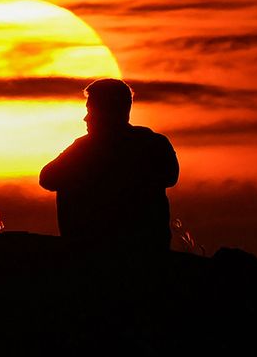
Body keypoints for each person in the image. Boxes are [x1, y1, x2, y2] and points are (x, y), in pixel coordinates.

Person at [39, 78, 179, 252]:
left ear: (107, 111)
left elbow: (47, 178)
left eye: (91, 110)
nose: (86, 118)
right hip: (147, 243)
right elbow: (46, 178)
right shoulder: (154, 142)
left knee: (67, 183)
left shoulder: (84, 148)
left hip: (100, 244)